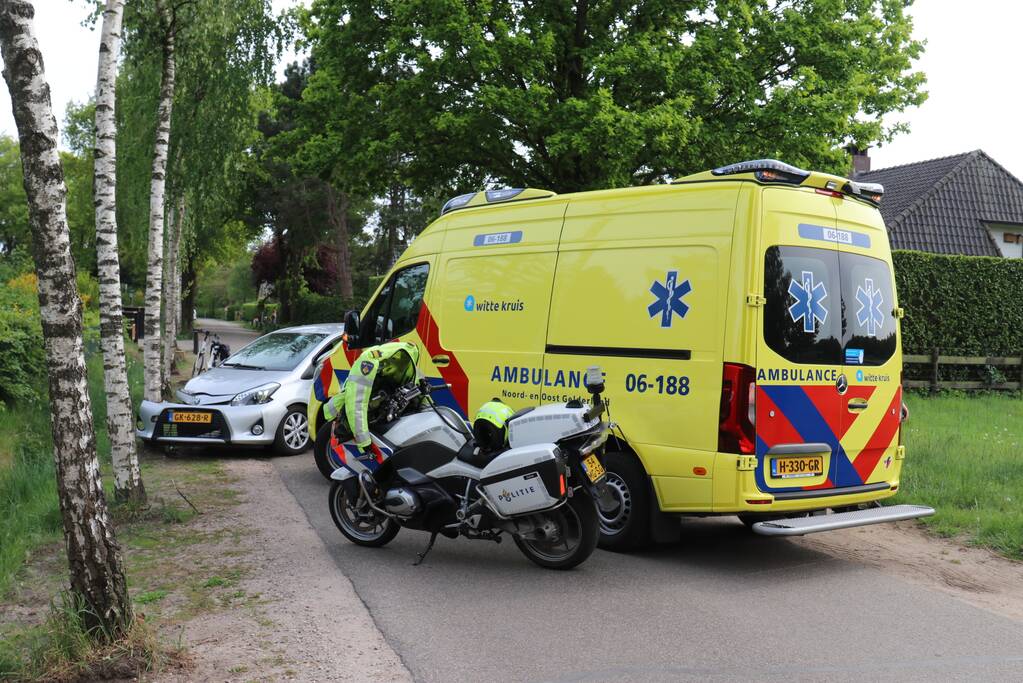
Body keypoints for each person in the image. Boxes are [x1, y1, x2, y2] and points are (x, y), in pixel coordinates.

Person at [323, 341, 421, 451]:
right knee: (347, 423)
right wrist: (364, 442)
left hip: (357, 406)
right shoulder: (367, 363)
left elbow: (415, 382)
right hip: (341, 411)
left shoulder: (403, 357)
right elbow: (356, 404)